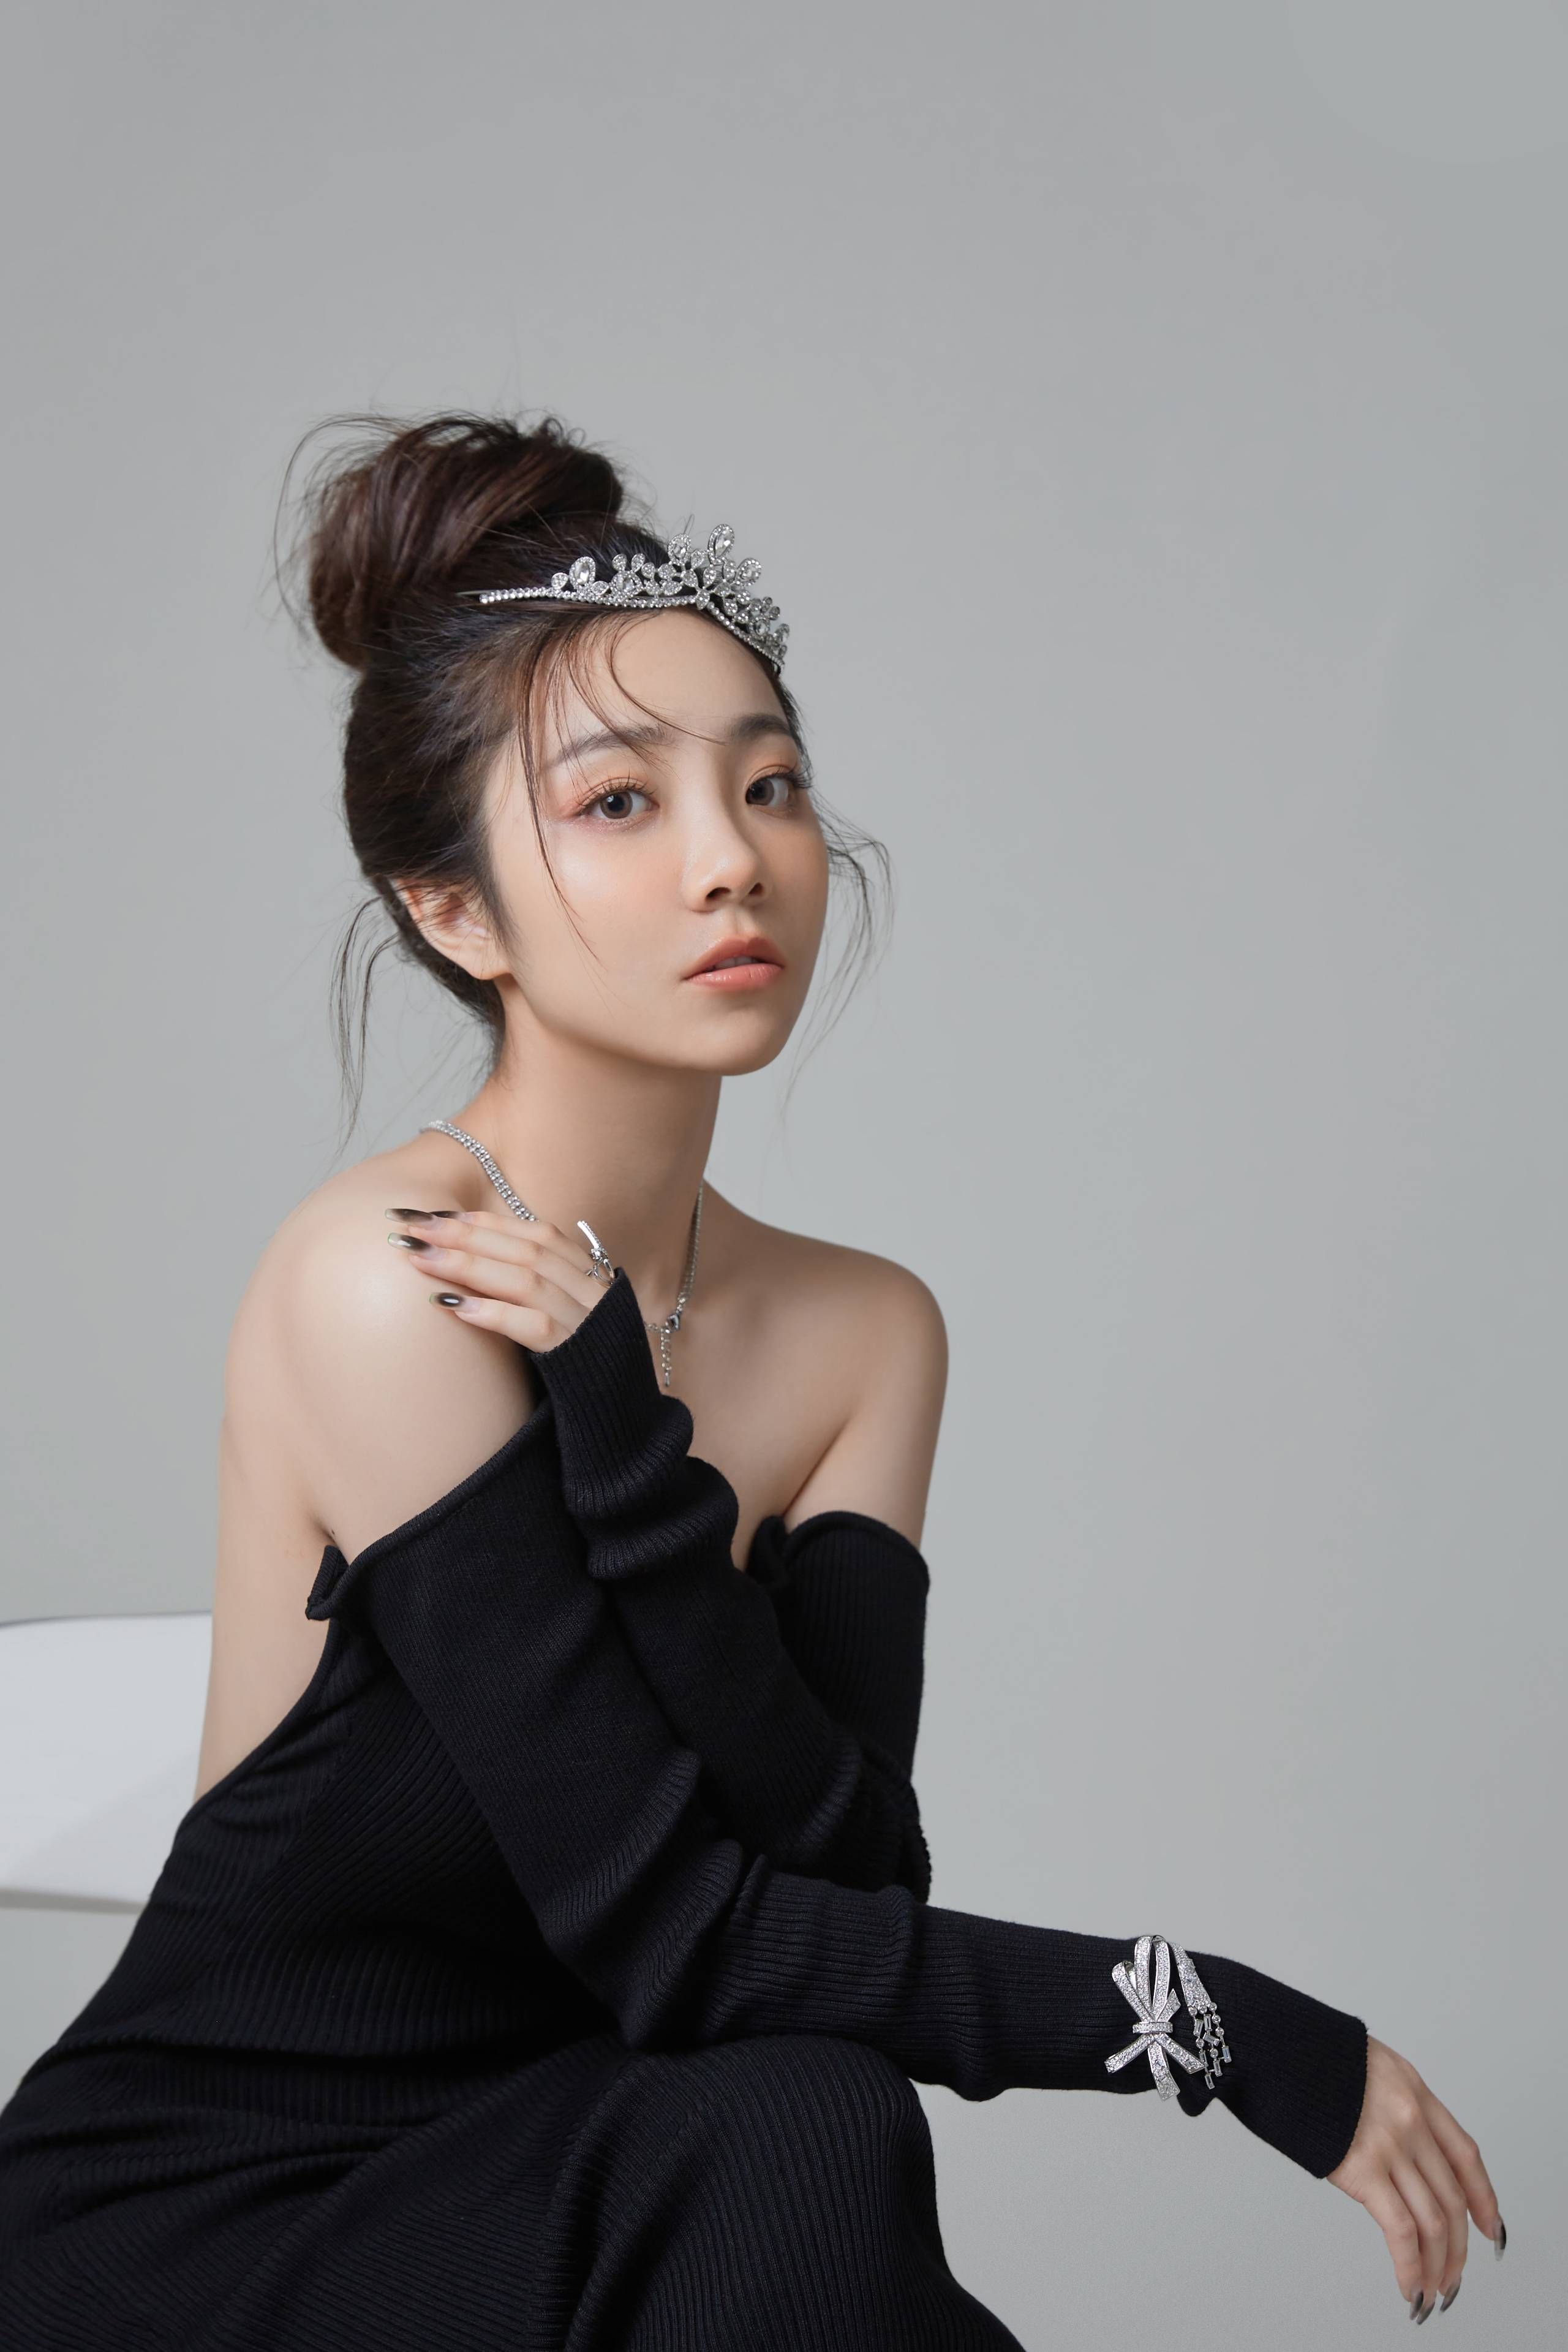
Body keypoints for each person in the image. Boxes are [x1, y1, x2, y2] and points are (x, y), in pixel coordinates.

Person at [0, 412, 1503, 2347]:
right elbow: (681, 1939)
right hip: (220, 2221)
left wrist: (630, 1454)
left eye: (771, 784)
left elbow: (844, 1873)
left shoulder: (866, 1332)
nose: (735, 862)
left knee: (807, 2117)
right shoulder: (386, 1285)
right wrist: (1199, 2021)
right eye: (621, 802)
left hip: (586, 2168)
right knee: (796, 2129)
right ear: (452, 910)